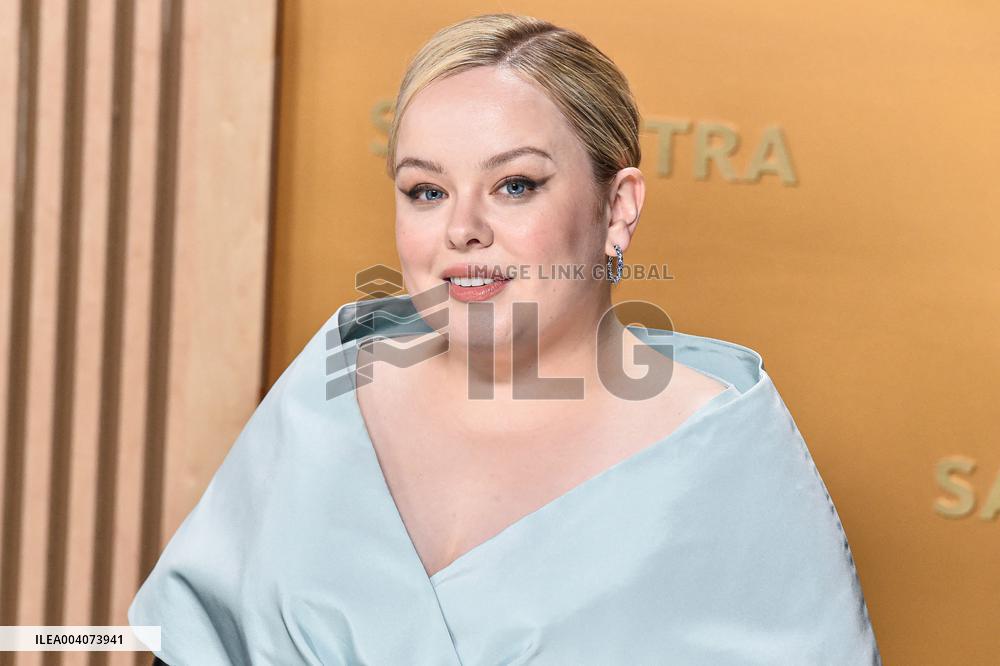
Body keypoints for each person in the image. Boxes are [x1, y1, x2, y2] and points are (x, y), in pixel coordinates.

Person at [131, 13, 880, 665]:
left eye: (515, 185)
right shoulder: (330, 394)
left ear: (617, 209)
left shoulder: (723, 454)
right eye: (426, 190)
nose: (462, 229)